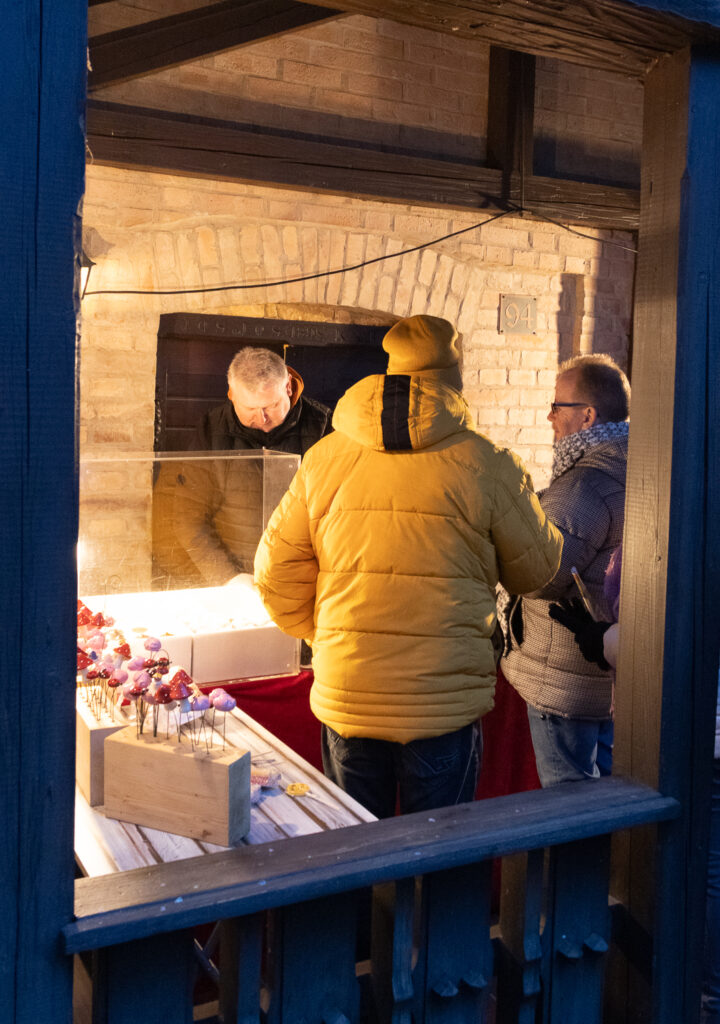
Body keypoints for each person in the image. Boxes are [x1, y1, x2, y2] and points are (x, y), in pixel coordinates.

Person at [253, 314, 562, 819]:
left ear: (393, 370)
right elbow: (538, 570)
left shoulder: (323, 459)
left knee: (353, 853)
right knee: (438, 860)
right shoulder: (488, 462)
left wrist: (331, 632)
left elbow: (273, 576)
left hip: (349, 692)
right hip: (443, 703)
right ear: (454, 380)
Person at [501, 353, 630, 787]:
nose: (550, 415)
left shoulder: (585, 485)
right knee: (614, 793)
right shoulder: (637, 464)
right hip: (613, 677)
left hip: (566, 680)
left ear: (588, 416)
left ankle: (582, 859)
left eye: (558, 405)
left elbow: (540, 575)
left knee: (569, 804)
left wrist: (508, 532)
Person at [152, 346, 331, 589]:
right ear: (232, 395)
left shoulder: (326, 429)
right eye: (250, 409)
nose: (263, 418)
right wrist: (228, 578)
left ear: (288, 387)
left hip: (305, 581)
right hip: (234, 580)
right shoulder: (210, 431)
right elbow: (187, 517)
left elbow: (342, 518)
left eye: (271, 405)